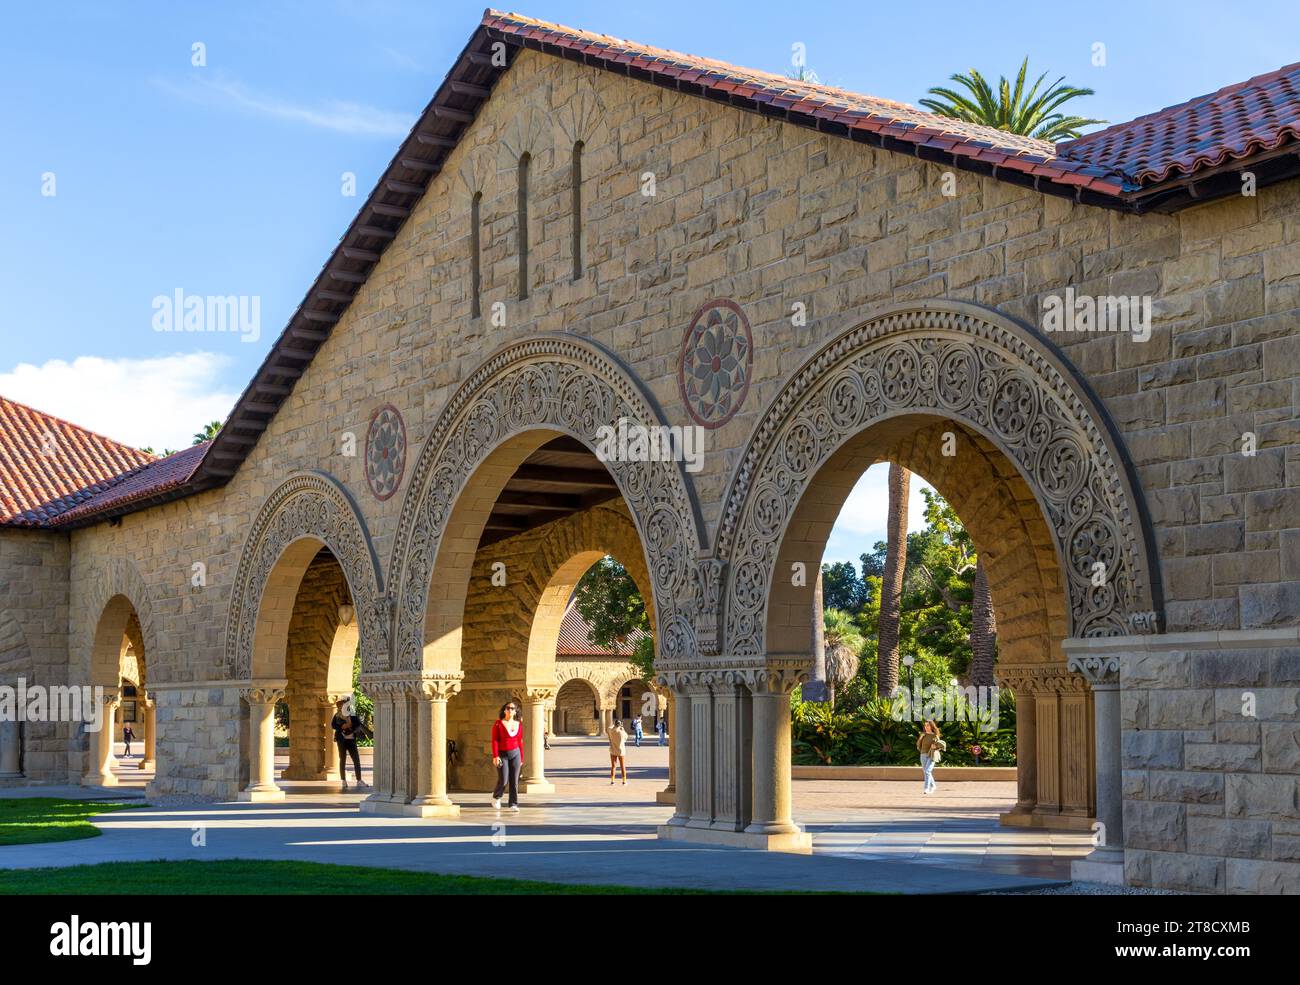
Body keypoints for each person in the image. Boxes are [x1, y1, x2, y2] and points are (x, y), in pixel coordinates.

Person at [491, 700, 524, 812]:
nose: (510, 710)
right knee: (504, 779)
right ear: (504, 710)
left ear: (515, 711)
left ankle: (513, 804)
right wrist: (496, 756)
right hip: (502, 754)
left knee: (514, 780)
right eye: (508, 708)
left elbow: (520, 741)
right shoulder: (498, 724)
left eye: (512, 708)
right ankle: (497, 797)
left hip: (516, 754)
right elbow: (495, 740)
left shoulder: (519, 724)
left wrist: (522, 758)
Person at [331, 698, 366, 791]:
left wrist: (351, 726)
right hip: (341, 740)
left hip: (351, 740)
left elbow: (358, 724)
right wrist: (342, 726)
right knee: (342, 759)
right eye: (341, 706)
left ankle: (359, 780)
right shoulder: (337, 716)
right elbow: (333, 725)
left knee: (356, 760)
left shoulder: (352, 715)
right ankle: (343, 780)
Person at [917, 719, 945, 795]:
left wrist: (935, 746)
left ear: (932, 726)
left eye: (928, 725)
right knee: (926, 772)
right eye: (925, 725)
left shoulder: (935, 736)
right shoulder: (923, 735)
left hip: (931, 755)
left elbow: (940, 746)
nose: (926, 727)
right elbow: (918, 745)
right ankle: (933, 785)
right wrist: (921, 737)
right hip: (923, 755)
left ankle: (926, 788)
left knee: (927, 771)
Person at [607, 717, 628, 785]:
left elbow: (609, 727)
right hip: (621, 750)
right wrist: (622, 729)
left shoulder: (611, 730)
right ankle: (624, 781)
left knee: (613, 766)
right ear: (620, 725)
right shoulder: (621, 733)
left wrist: (615, 725)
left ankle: (612, 781)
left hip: (613, 750)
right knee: (622, 766)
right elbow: (626, 738)